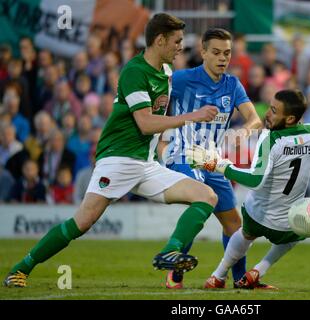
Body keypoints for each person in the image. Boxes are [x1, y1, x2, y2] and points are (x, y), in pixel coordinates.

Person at [3, 13, 219, 288]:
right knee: (82, 222)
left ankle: (170, 251)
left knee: (205, 195)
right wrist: (193, 116)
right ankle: (21, 268)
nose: (180, 47)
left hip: (145, 163)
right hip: (118, 159)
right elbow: (144, 123)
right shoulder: (134, 72)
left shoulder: (165, 73)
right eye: (176, 41)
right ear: (160, 40)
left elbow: (157, 121)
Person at [186, 90, 310, 289]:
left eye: (273, 110)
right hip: (286, 222)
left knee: (245, 234)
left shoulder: (270, 139)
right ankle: (257, 271)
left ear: (290, 119)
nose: (267, 114)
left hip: (256, 214)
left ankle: (217, 276)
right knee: (300, 231)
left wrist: (218, 165)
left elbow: (255, 180)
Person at [158, 28, 262, 289]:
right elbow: (152, 103)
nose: (222, 58)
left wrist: (243, 131)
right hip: (183, 153)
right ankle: (174, 270)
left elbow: (255, 119)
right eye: (215, 52)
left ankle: (239, 278)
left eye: (227, 53)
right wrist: (158, 141)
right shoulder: (180, 80)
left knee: (234, 224)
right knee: (203, 201)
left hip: (212, 160)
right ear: (203, 52)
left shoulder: (232, 84)